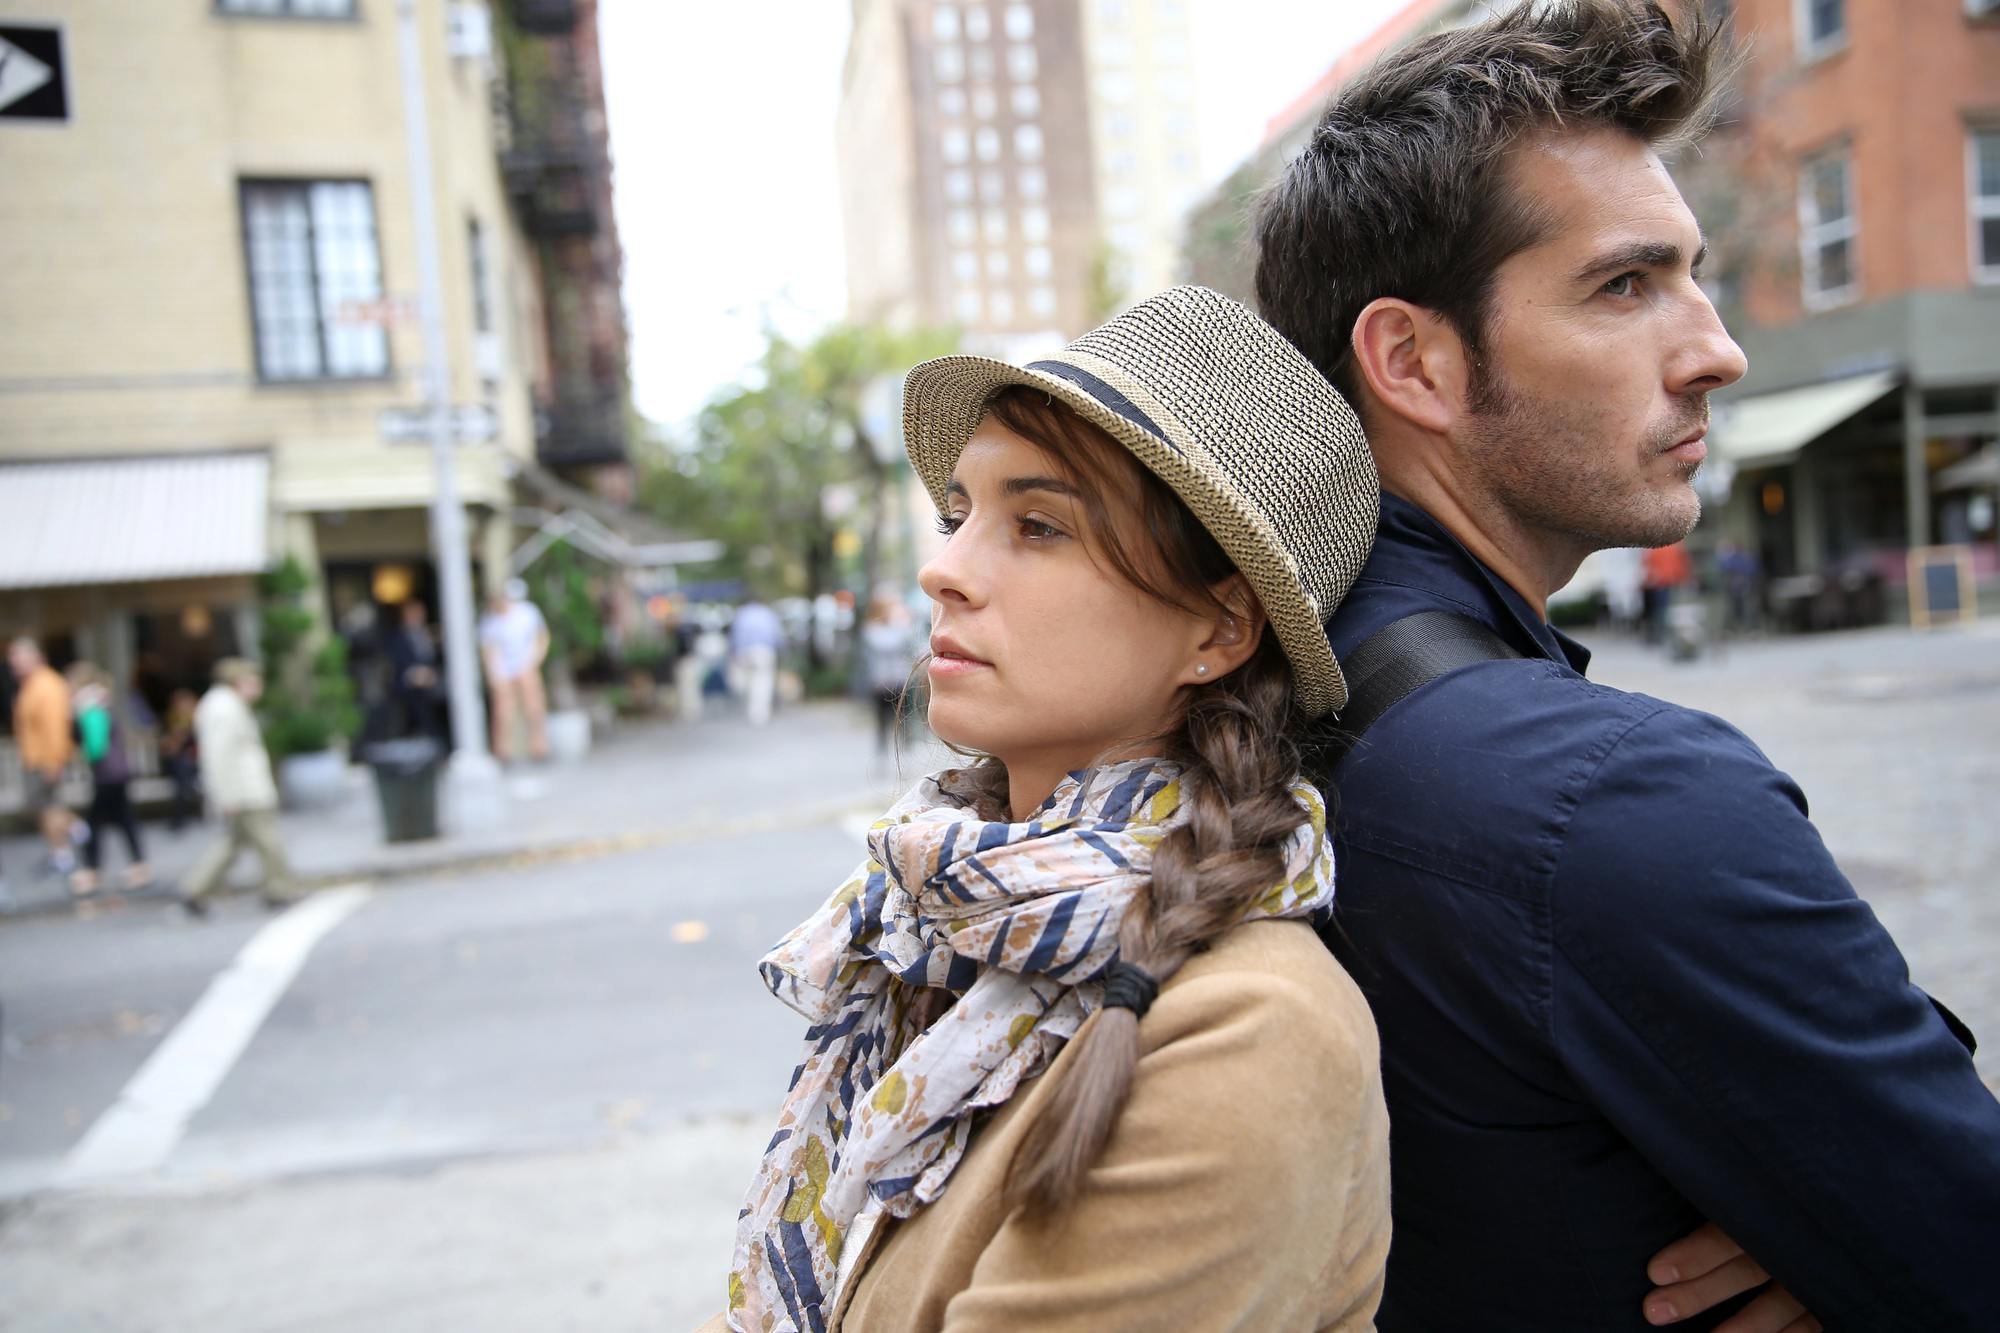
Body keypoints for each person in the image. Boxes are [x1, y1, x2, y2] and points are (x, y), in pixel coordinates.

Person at [1254, 3, 2000, 1330]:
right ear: (1412, 361)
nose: (1717, 347)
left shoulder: (1244, 702)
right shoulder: (1614, 800)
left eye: (1696, 275)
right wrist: (1857, 1210)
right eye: (1626, 285)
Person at [696, 287, 1386, 1333]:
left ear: (1220, 625)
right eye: (958, 514)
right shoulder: (942, 929)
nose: (942, 570)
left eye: (1037, 524)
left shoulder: (1247, 1033)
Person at [181, 657, 293, 913]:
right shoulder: (224, 707)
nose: (258, 690)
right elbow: (219, 756)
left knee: (233, 843)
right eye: (253, 683)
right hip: (246, 791)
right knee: (268, 842)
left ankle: (195, 888)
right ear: (237, 682)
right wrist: (225, 796)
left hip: (245, 789)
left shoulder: (226, 704)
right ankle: (277, 889)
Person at [63, 662, 150, 895]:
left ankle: (91, 871)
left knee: (95, 822)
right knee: (124, 819)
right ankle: (138, 866)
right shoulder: (103, 702)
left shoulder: (89, 706)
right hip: (118, 772)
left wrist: (80, 753)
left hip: (106, 774)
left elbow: (95, 745)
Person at [8, 636, 78, 877]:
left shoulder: (47, 685)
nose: (14, 663)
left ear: (37, 656)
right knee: (41, 807)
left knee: (47, 808)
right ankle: (74, 835)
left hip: (44, 758)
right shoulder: (30, 685)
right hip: (33, 757)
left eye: (19, 657)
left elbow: (55, 726)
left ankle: (64, 850)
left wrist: (53, 760)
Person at [479, 579, 549, 762]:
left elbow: (541, 636)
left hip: (526, 665)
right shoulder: (489, 621)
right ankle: (503, 753)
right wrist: (493, 675)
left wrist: (534, 661)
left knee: (534, 709)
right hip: (502, 671)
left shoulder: (526, 612)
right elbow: (488, 650)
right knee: (503, 714)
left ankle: (539, 749)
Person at [859, 588, 919, 754]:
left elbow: (911, 647)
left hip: (900, 680)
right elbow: (885, 645)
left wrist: (906, 623)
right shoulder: (872, 629)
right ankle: (882, 754)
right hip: (881, 682)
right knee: (882, 721)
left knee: (904, 720)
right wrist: (903, 625)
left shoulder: (899, 626)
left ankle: (906, 754)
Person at [385, 598, 443, 738]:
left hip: (431, 680)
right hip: (407, 683)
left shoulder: (426, 632)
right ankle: (432, 736)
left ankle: (440, 736)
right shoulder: (397, 636)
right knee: (418, 701)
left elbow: (431, 658)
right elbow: (399, 663)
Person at [727, 598, 785, 726]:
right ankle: (759, 713)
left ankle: (754, 710)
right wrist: (782, 650)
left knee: (747, 682)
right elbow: (778, 635)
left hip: (744, 651)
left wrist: (733, 652)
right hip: (765, 650)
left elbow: (734, 635)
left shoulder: (741, 613)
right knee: (763, 682)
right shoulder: (768, 613)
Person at [158, 687, 202, 832]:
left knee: (186, 776)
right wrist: (177, 736)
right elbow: (168, 750)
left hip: (194, 762)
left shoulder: (198, 719)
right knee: (183, 779)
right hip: (175, 763)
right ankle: (177, 820)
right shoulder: (171, 720)